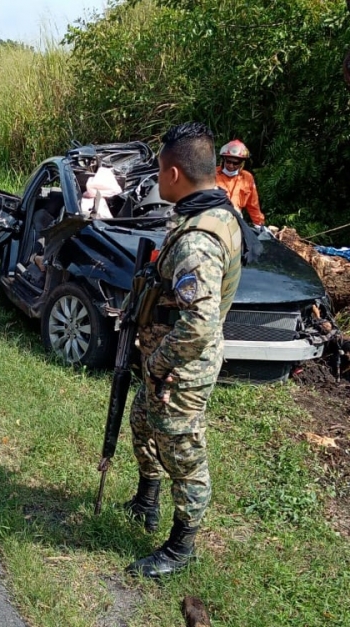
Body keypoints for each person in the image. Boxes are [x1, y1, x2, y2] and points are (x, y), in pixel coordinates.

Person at [124, 122, 260, 579]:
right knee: (142, 421)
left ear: (176, 173)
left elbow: (198, 324)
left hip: (181, 365)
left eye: (160, 171)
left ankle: (181, 547)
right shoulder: (215, 211)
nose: (157, 180)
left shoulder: (200, 238)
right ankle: (146, 500)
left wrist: (159, 365)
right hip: (166, 358)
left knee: (183, 451)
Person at [215, 139, 265, 227]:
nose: (231, 166)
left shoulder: (247, 178)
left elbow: (253, 205)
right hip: (214, 219)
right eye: (228, 161)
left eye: (235, 163)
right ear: (223, 160)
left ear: (241, 163)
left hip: (235, 222)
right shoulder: (211, 175)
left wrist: (259, 225)